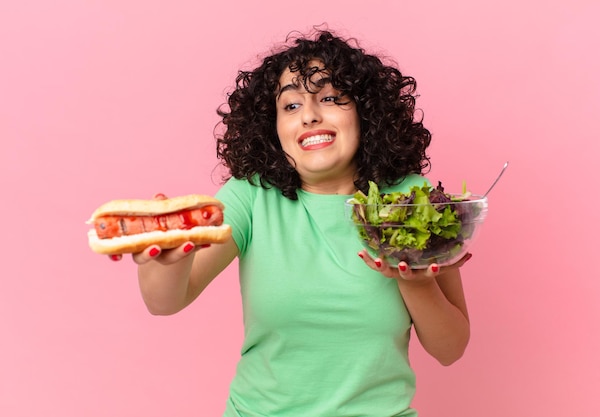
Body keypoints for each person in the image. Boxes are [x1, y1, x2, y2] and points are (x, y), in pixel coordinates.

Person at [117, 28, 472, 417]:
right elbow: (165, 301)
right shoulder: (250, 196)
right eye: (290, 106)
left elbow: (450, 349)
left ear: (367, 113)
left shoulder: (412, 199)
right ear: (273, 128)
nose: (309, 115)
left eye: (331, 98)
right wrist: (165, 259)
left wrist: (413, 279)